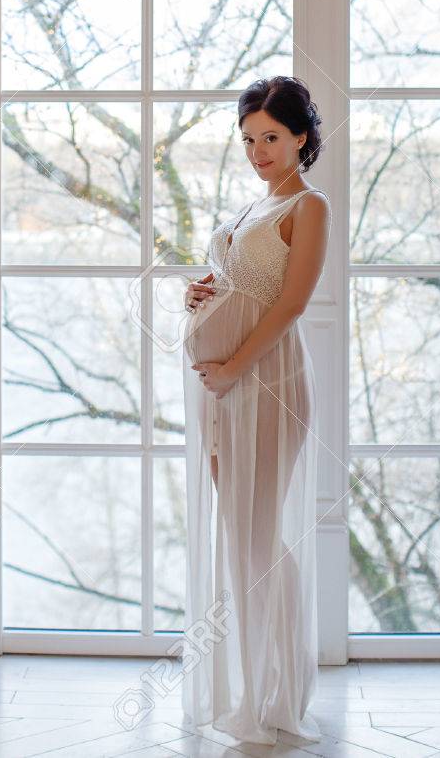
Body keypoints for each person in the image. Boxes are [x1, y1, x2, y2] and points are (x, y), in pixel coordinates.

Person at [180, 74, 331, 746]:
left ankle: (276, 693)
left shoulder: (309, 206)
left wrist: (236, 365)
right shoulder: (250, 207)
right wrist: (202, 294)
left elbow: (291, 303)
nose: (258, 149)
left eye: (270, 136)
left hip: (267, 383)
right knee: (248, 538)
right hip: (228, 389)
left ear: (301, 136)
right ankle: (269, 679)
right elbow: (244, 284)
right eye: (248, 138)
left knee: (257, 536)